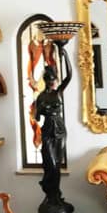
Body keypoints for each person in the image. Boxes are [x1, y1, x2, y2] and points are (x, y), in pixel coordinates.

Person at [34, 64, 69, 202]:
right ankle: (48, 189)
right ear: (46, 80)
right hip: (48, 130)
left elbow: (69, 76)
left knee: (57, 165)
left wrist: (64, 55)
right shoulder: (41, 97)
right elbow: (37, 118)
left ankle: (55, 195)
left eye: (53, 79)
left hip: (60, 129)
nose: (52, 81)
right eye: (49, 79)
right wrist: (40, 108)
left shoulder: (58, 93)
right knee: (51, 164)